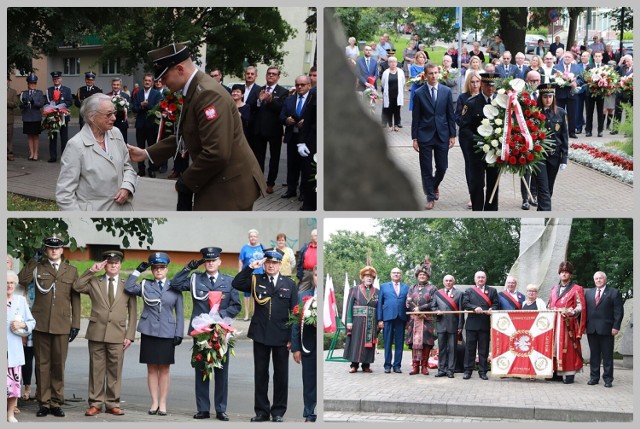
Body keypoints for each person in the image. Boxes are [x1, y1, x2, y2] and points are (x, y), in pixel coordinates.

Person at [128, 42, 266, 210]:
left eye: (164, 77)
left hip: (229, 187)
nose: (162, 82)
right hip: (219, 178)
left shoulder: (207, 94)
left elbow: (217, 153)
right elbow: (188, 133)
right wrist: (147, 153)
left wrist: (185, 182)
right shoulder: (195, 89)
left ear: (180, 69)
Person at [171, 247, 240, 420]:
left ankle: (221, 409)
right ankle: (203, 408)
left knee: (221, 372)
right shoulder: (195, 279)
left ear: (219, 262)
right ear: (204, 262)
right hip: (201, 333)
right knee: (202, 370)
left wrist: (220, 318)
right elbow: (175, 283)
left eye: (213, 260)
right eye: (207, 260)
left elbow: (236, 305)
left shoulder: (229, 281)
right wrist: (189, 268)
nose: (210, 263)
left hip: (221, 332)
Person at [231, 248, 298, 422]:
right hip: (260, 334)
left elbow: (295, 313)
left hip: (282, 336)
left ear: (279, 265)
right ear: (264, 263)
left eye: (274, 263)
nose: (271, 265)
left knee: (281, 375)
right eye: (268, 262)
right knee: (261, 374)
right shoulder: (256, 279)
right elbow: (237, 283)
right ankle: (261, 411)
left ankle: (278, 412)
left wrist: (292, 338)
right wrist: (251, 267)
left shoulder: (289, 284)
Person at [18, 236, 80, 418]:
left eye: (57, 248)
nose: (53, 251)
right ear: (45, 250)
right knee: (42, 365)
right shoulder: (38, 267)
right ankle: (43, 402)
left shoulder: (71, 270)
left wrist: (75, 323)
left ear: (62, 250)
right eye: (50, 248)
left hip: (62, 324)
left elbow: (75, 298)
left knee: (58, 364)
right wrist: (33, 260)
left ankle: (56, 401)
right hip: (41, 323)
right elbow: (22, 280)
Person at [72, 251, 137, 416]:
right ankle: (95, 403)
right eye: (110, 263)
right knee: (96, 369)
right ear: (105, 265)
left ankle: (112, 403)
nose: (114, 265)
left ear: (120, 265)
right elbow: (77, 286)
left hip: (118, 333)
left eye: (116, 263)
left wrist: (130, 335)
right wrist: (91, 270)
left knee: (115, 370)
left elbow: (133, 311)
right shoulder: (95, 281)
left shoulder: (127, 283)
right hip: (97, 333)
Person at [56, 93, 138, 211]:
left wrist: (127, 187)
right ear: (91, 116)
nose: (114, 118)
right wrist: (81, 223)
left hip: (122, 213)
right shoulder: (75, 145)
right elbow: (64, 195)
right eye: (108, 114)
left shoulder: (116, 133)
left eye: (114, 113)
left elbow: (127, 167)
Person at [124, 252, 184, 415]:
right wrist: (137, 272)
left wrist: (179, 333)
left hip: (167, 332)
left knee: (164, 369)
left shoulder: (174, 286)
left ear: (166, 269)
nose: (158, 271)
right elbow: (128, 288)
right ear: (151, 270)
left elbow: (179, 312)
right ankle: (154, 402)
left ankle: (163, 403)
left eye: (162, 268)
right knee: (151, 369)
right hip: (149, 331)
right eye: (155, 268)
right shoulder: (145, 285)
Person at [411, 62, 456, 210]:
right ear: (425, 76)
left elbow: (450, 114)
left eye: (436, 73)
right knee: (426, 169)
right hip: (424, 135)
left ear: (439, 73)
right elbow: (415, 117)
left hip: (442, 134)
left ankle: (434, 185)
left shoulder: (446, 91)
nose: (434, 76)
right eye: (431, 73)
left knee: (442, 167)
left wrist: (452, 134)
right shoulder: (419, 93)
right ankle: (430, 197)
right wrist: (414, 138)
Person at [458, 72, 501, 211]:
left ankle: (491, 211)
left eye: (493, 85)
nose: (490, 88)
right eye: (487, 85)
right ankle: (477, 210)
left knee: (493, 183)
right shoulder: (471, 103)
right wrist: (478, 140)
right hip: (476, 151)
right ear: (482, 84)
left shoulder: (501, 104)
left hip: (494, 152)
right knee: (477, 184)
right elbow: (464, 128)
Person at [547, 261, 586, 384]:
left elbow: (581, 307)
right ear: (559, 274)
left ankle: (569, 373)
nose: (564, 274)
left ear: (570, 275)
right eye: (562, 272)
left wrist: (572, 312)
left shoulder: (577, 289)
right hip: (554, 323)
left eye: (566, 273)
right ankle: (556, 372)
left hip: (568, 324)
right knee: (554, 347)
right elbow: (550, 305)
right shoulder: (553, 289)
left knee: (568, 349)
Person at [251, 66, 288, 194]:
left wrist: (271, 101)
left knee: (274, 158)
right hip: (259, 130)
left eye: (274, 74)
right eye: (269, 74)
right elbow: (253, 110)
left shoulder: (283, 91)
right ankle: (259, 181)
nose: (271, 76)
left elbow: (282, 110)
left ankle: (270, 183)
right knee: (258, 157)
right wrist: (258, 101)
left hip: (274, 131)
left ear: (278, 77)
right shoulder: (259, 90)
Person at [7, 270, 37, 423]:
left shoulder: (20, 301)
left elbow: (32, 323)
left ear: (15, 284)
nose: (9, 285)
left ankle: (10, 414)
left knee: (13, 386)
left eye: (11, 283)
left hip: (13, 349)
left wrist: (22, 324)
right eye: (5, 283)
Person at [585, 271, 623, 388]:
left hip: (607, 329)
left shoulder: (614, 292)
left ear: (605, 279)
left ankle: (608, 379)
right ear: (594, 280)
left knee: (607, 356)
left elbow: (619, 312)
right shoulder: (589, 293)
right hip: (591, 329)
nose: (598, 280)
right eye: (596, 278)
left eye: (601, 278)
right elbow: (585, 311)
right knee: (594, 355)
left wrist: (616, 326)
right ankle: (594, 378)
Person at [535, 82, 568, 211]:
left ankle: (541, 211)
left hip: (554, 155)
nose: (548, 99)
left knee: (548, 189)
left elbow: (564, 137)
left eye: (550, 96)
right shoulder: (534, 112)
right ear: (540, 97)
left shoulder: (560, 113)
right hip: (539, 155)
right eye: (545, 97)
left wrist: (564, 158)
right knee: (543, 188)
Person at [291, 266, 317, 422]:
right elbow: (295, 323)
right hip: (307, 345)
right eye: (315, 275)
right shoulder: (303, 296)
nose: (317, 277)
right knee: (309, 381)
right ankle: (309, 412)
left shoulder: (329, 297)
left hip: (321, 346)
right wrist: (296, 347)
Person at [280, 75, 312, 200]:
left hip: (307, 138)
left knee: (305, 166)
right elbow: (281, 115)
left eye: (302, 84)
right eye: (297, 84)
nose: (299, 87)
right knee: (292, 165)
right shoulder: (290, 100)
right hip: (292, 136)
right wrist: (286, 120)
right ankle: (291, 189)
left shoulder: (312, 99)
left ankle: (303, 192)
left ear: (309, 85)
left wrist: (306, 122)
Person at [462, 271, 498, 380]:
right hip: (472, 324)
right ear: (475, 279)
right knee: (470, 349)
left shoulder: (492, 291)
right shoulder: (469, 291)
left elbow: (496, 304)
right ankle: (468, 371)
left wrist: (492, 309)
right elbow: (465, 303)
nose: (481, 279)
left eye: (483, 277)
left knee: (484, 349)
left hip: (485, 324)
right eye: (479, 277)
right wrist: (474, 308)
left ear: (485, 279)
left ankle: (482, 372)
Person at [343, 265, 380, 373]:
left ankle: (366, 365)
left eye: (371, 277)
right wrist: (349, 321)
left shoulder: (377, 292)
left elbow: (379, 308)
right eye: (367, 276)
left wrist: (379, 321)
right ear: (362, 278)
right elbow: (349, 305)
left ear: (373, 279)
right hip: (357, 321)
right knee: (356, 342)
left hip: (371, 321)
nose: (369, 278)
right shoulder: (354, 290)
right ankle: (354, 365)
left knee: (368, 344)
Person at [455, 70, 482, 210]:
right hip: (467, 138)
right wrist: (467, 125)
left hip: (483, 137)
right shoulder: (463, 97)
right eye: (472, 82)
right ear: (468, 83)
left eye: (478, 82)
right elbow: (458, 117)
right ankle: (473, 195)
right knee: (470, 165)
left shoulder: (484, 97)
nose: (475, 85)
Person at [405, 261, 437, 375]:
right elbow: (407, 302)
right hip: (414, 320)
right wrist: (413, 308)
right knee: (414, 343)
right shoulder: (412, 287)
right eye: (420, 275)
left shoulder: (432, 288)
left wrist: (421, 308)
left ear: (427, 276)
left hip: (426, 319)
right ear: (417, 276)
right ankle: (415, 366)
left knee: (426, 343)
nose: (422, 276)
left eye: (424, 275)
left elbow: (434, 303)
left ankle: (424, 366)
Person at [430, 274, 464, 378]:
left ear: (453, 282)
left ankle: (450, 371)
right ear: (443, 282)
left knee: (452, 349)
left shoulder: (459, 293)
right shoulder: (437, 293)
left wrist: (460, 325)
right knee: (442, 348)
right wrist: (436, 311)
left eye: (450, 280)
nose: (448, 282)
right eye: (446, 280)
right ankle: (441, 370)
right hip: (441, 324)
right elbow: (432, 306)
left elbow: (461, 311)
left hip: (453, 325)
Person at [377, 267, 409, 374]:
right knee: (387, 343)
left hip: (401, 318)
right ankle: (387, 365)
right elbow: (380, 304)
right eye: (394, 273)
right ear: (391, 275)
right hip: (388, 317)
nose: (396, 274)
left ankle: (397, 366)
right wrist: (380, 319)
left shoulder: (406, 288)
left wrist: (408, 320)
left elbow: (408, 305)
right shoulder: (384, 286)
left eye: (398, 273)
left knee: (399, 343)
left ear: (401, 275)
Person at [132, 73, 162, 177]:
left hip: (151, 125)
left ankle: (151, 169)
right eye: (146, 80)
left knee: (151, 148)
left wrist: (147, 105)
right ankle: (141, 169)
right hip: (140, 125)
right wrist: (140, 105)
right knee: (139, 148)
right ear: (143, 81)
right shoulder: (138, 93)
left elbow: (157, 108)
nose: (147, 82)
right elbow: (134, 108)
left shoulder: (157, 94)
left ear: (152, 82)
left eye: (149, 81)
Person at [45, 71, 73, 162]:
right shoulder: (49, 90)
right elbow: (46, 101)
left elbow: (70, 101)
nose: (56, 80)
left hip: (63, 116)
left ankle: (64, 157)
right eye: (54, 79)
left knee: (64, 137)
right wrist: (52, 108)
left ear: (61, 79)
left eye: (57, 78)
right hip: (52, 116)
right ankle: (53, 156)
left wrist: (61, 106)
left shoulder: (67, 90)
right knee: (52, 137)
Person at [238, 229, 265, 321]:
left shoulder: (261, 247)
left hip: (259, 274)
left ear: (257, 237)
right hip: (248, 274)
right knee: (247, 294)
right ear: (249, 237)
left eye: (255, 236)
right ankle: (246, 314)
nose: (253, 238)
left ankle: (254, 314)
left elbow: (266, 258)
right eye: (251, 236)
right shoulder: (245, 247)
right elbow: (241, 260)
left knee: (255, 294)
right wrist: (240, 272)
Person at [553, 51, 580, 139]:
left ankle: (572, 132)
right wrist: (560, 82)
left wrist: (576, 82)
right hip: (560, 94)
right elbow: (552, 80)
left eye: (569, 57)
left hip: (572, 94)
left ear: (572, 59)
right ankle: (558, 132)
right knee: (559, 114)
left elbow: (581, 79)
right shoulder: (557, 67)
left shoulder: (576, 68)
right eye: (565, 57)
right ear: (563, 58)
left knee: (572, 114)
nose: (567, 58)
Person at [19, 74, 45, 161]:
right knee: (29, 136)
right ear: (28, 84)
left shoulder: (39, 93)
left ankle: (36, 153)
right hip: (27, 117)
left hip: (36, 117)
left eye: (34, 83)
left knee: (35, 136)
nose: (32, 85)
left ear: (36, 84)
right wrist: (24, 104)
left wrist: (34, 103)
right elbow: (20, 105)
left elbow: (41, 104)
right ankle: (31, 153)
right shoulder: (24, 93)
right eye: (31, 83)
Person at [583, 51, 606, 137]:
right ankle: (588, 130)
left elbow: (608, 78)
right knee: (589, 112)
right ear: (593, 57)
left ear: (601, 57)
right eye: (596, 56)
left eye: (599, 56)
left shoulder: (604, 67)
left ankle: (600, 131)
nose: (597, 58)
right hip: (590, 93)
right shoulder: (589, 66)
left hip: (601, 93)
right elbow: (585, 77)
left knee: (600, 112)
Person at [381, 56, 405, 132]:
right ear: (388, 63)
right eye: (390, 62)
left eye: (394, 62)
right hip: (389, 94)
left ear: (397, 63)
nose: (393, 63)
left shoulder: (401, 72)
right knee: (389, 110)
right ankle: (390, 125)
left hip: (398, 94)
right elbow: (383, 83)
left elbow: (403, 82)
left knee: (397, 110)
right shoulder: (385, 72)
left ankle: (396, 125)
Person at [612, 54, 633, 134]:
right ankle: (615, 129)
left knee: (628, 112)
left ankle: (628, 131)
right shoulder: (622, 67)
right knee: (618, 111)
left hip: (630, 94)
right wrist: (620, 62)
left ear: (632, 61)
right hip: (620, 93)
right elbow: (613, 71)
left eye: (628, 61)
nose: (626, 63)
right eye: (625, 61)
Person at [106, 78, 131, 143]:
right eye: (114, 85)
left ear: (120, 85)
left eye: (117, 85)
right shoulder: (107, 96)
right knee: (110, 142)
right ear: (111, 85)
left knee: (123, 142)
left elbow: (129, 109)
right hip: (110, 123)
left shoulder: (126, 96)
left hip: (122, 122)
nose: (116, 86)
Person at [7, 75, 18, 161]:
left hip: (8, 118)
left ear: (8, 81)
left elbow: (15, 104)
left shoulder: (13, 92)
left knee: (9, 136)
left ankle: (9, 153)